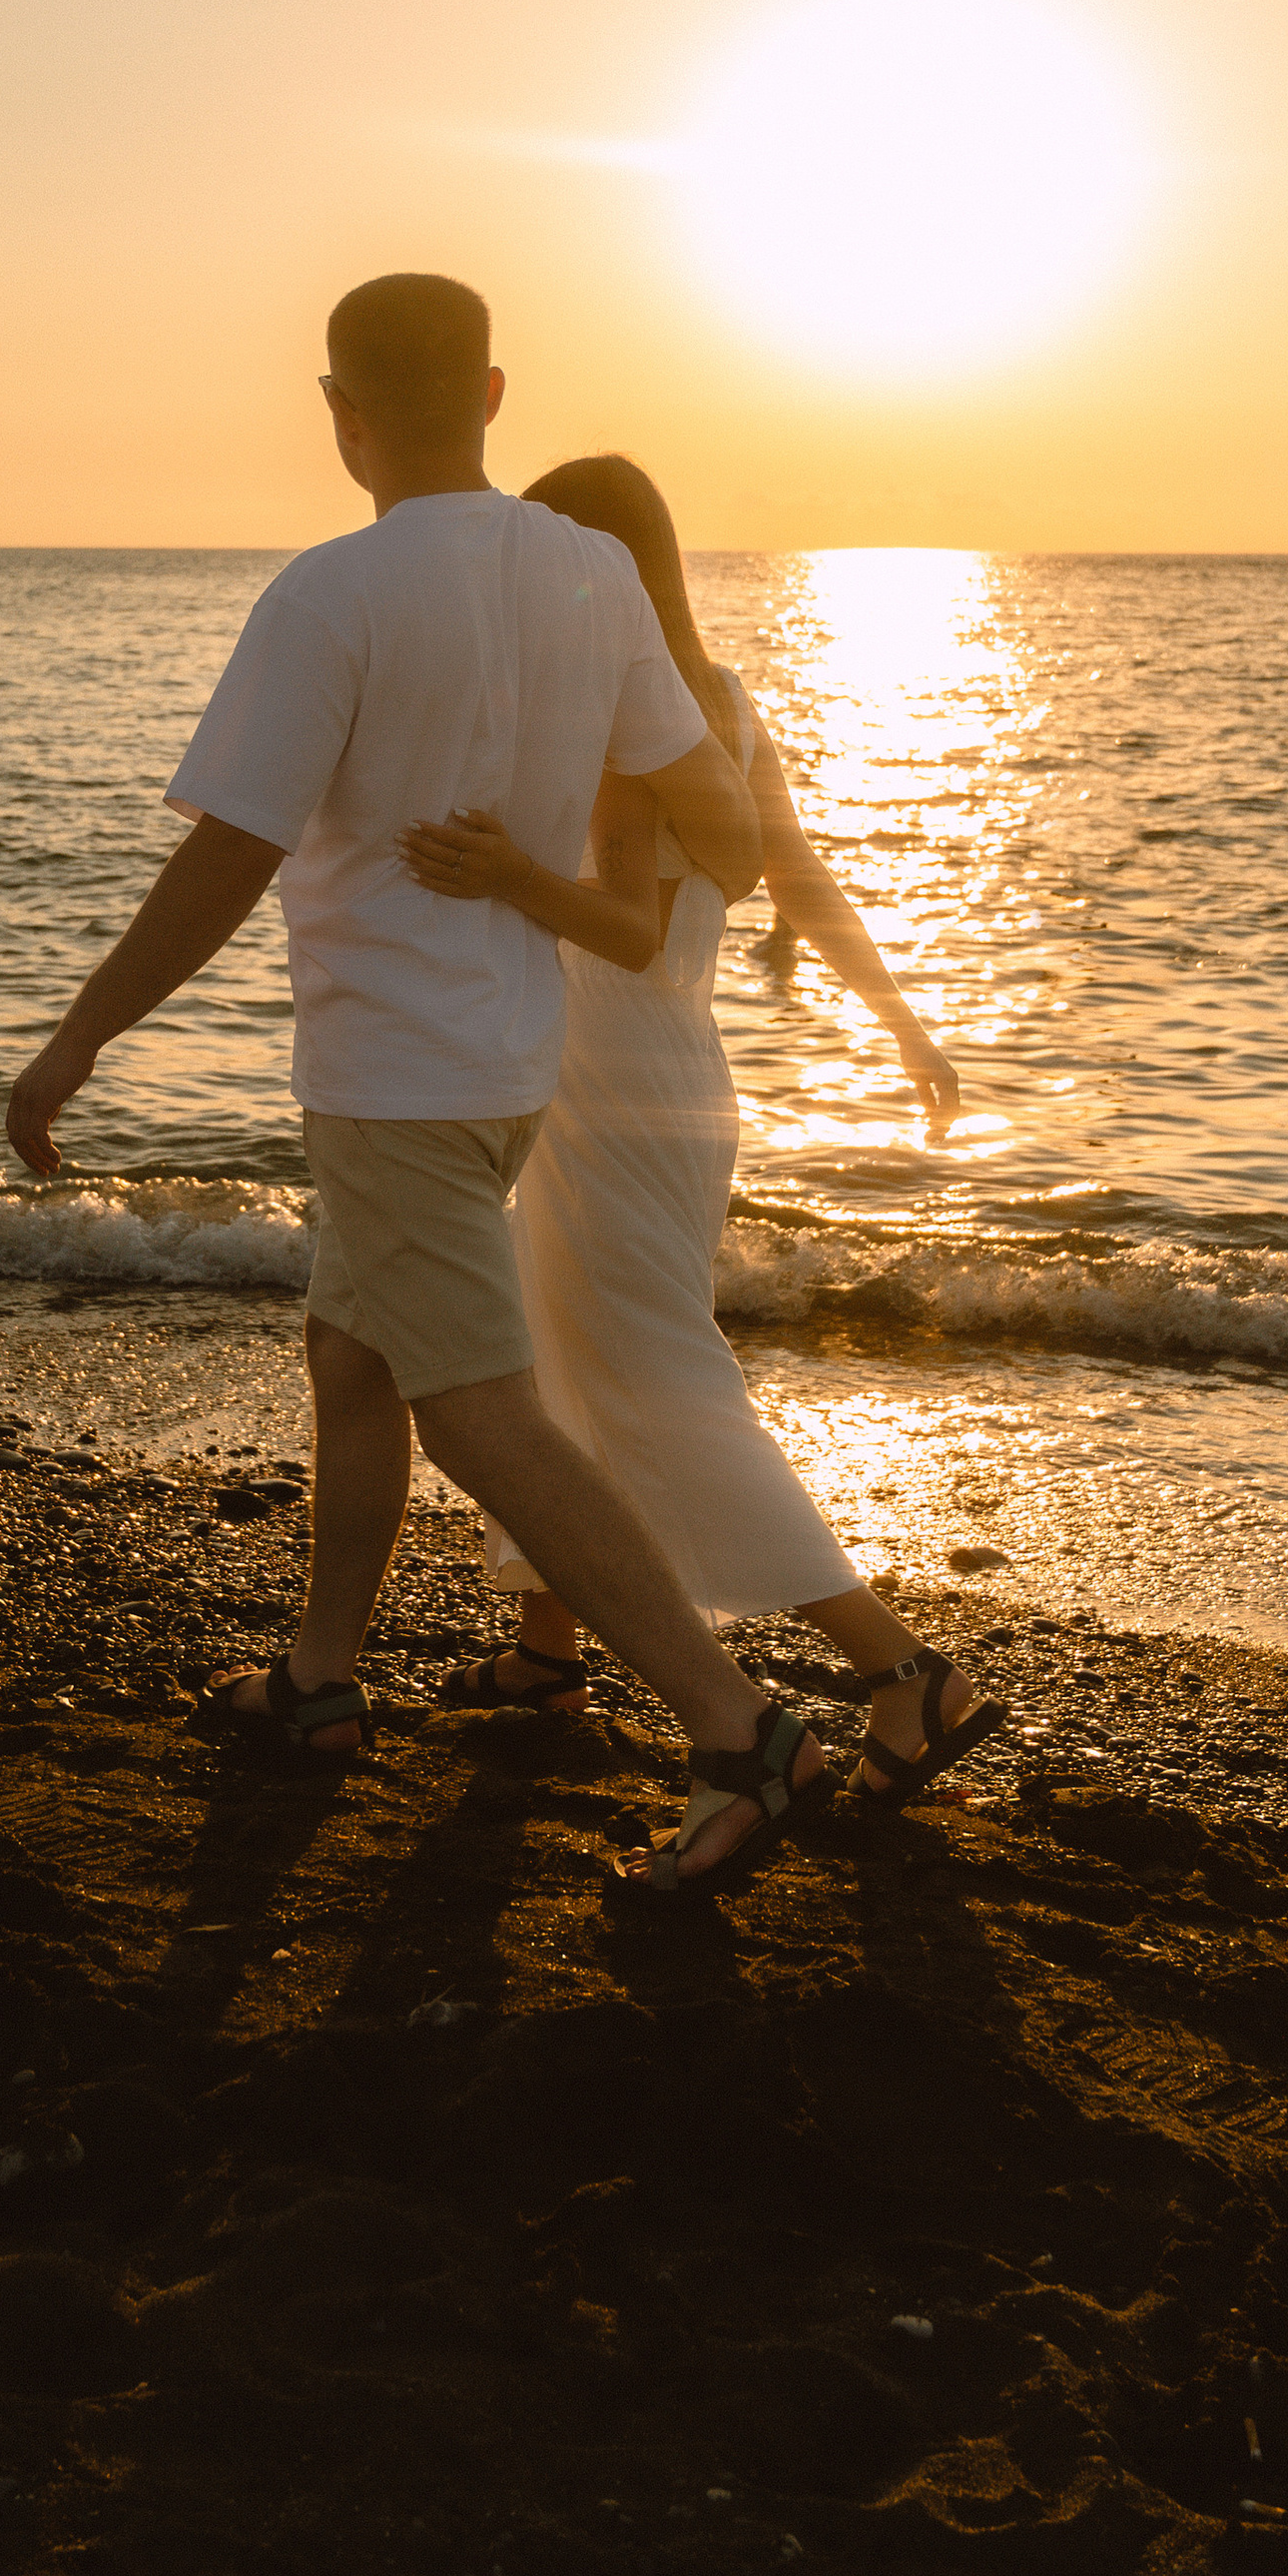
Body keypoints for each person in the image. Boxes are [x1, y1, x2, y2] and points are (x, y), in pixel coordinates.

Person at [5, 276, 841, 1890]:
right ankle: (321, 1683)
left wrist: (82, 1033)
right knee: (354, 1357)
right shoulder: (595, 574)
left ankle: (741, 1729)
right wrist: (592, 889)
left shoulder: (332, 595)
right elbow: (717, 822)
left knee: (479, 1415)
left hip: (395, 1076)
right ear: (497, 391)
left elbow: (230, 855)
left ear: (342, 411)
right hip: (519, 1059)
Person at [395, 452, 1005, 1811]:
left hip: (609, 1085)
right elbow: (799, 873)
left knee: (665, 1387)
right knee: (558, 1359)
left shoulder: (620, 711)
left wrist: (500, 874)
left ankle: (905, 1670)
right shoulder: (717, 700)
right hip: (670, 1076)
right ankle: (548, 1653)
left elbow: (626, 925)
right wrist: (908, 1026)